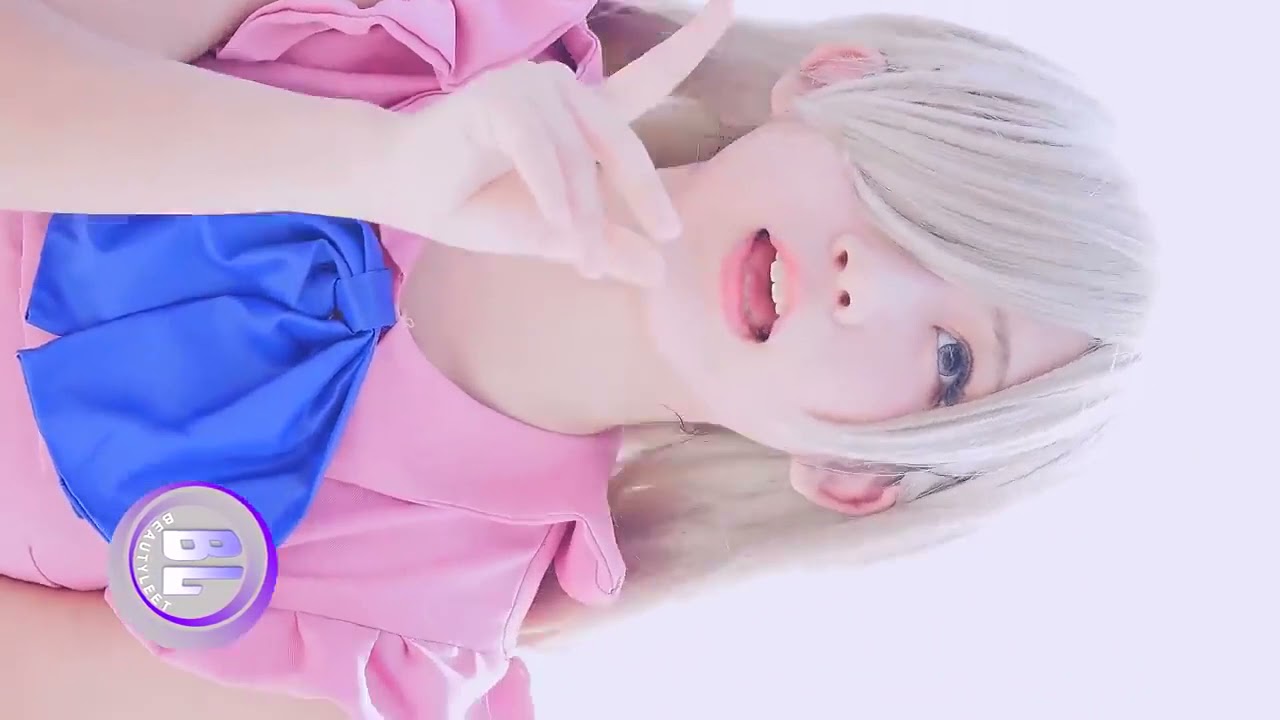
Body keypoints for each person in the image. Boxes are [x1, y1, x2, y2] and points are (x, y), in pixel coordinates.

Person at [0, 0, 1154, 717]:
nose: (867, 281)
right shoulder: (422, 22)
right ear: (831, 85)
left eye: (950, 360)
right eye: (910, 199)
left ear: (852, 476)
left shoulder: (390, 650)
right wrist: (361, 164)